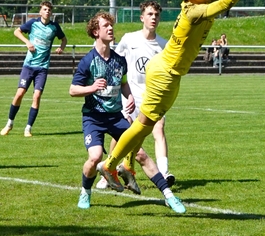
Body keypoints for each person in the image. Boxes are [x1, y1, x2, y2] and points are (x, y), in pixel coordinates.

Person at [98, 0, 265, 189]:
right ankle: (109, 166)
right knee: (142, 125)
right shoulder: (193, 11)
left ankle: (126, 165)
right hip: (164, 73)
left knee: (148, 125)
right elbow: (225, 2)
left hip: (170, 73)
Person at [70, 12, 184, 213]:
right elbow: (73, 90)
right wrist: (92, 88)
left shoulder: (119, 60)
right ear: (96, 32)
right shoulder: (88, 61)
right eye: (105, 26)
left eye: (111, 25)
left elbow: (123, 83)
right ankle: (85, 192)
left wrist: (129, 96)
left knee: (140, 154)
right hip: (93, 118)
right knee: (95, 157)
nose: (110, 28)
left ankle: (169, 196)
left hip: (116, 117)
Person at [108, 1, 174, 186]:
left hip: (152, 97)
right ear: (142, 17)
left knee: (159, 128)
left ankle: (164, 172)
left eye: (157, 15)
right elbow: (117, 62)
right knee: (123, 134)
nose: (154, 18)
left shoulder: (164, 45)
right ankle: (109, 170)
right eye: (150, 14)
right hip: (130, 95)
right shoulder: (129, 39)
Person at [0, 1, 67, 137]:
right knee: (20, 93)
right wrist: (27, 42)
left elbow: (64, 39)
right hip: (29, 65)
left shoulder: (54, 27)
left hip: (42, 67)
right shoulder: (33, 23)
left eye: (49, 10)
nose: (47, 11)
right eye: (45, 9)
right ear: (40, 12)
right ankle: (9, 123)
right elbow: (16, 31)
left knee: (37, 96)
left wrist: (61, 48)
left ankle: (28, 128)